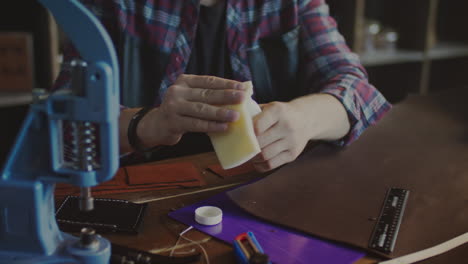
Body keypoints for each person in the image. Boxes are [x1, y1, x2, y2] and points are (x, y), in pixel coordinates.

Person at [54, 0, 391, 172]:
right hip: (147, 195)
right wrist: (148, 124)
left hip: (262, 193)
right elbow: (62, 128)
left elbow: (360, 94)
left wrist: (303, 119)